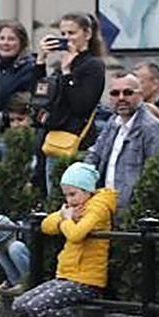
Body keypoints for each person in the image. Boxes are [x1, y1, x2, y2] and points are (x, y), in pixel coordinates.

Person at [12, 163, 115, 317]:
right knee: (20, 305)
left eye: (73, 194)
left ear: (88, 191)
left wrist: (67, 220)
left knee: (36, 306)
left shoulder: (98, 208)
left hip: (86, 280)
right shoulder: (73, 209)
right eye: (66, 195)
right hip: (66, 276)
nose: (69, 200)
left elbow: (76, 234)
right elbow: (45, 225)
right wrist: (63, 215)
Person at [32, 12, 107, 195]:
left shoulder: (93, 65)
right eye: (63, 34)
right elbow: (40, 97)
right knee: (51, 201)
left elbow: (81, 105)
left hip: (75, 145)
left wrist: (67, 74)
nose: (66, 39)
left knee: (69, 200)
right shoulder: (63, 65)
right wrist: (41, 61)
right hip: (52, 141)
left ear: (87, 34)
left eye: (72, 33)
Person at [82, 72, 159, 216]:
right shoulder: (113, 122)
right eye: (115, 93)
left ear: (140, 95)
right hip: (105, 207)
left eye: (128, 92)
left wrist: (140, 208)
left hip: (134, 214)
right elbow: (94, 155)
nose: (121, 98)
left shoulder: (151, 128)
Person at [0, 21, 39, 130]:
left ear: (22, 42)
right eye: (2, 38)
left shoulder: (30, 68)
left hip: (15, 132)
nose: (5, 43)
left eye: (11, 39)